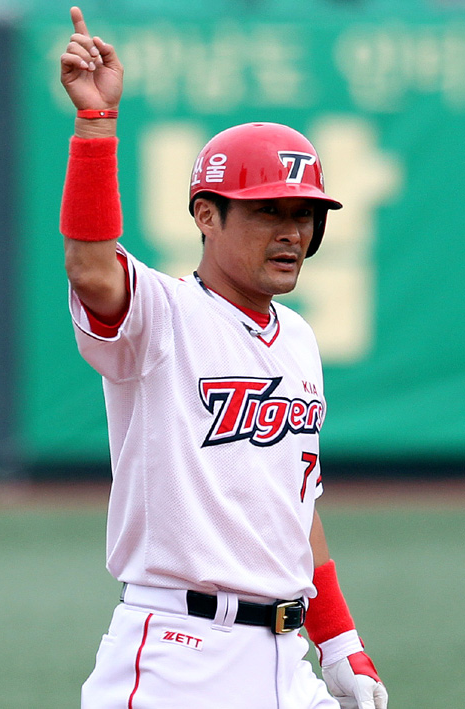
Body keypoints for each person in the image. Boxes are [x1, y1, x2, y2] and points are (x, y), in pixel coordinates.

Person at [60, 7, 389, 709]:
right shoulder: (161, 314)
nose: (292, 232)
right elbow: (91, 268)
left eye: (303, 214)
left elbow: (297, 505)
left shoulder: (297, 338)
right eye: (268, 211)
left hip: (285, 660)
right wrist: (95, 125)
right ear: (206, 214)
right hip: (178, 657)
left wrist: (340, 642)